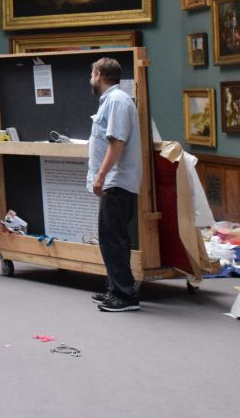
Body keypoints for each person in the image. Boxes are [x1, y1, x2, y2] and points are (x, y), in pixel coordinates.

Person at [87, 57, 142, 312]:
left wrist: (101, 175)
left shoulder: (118, 101)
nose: (90, 79)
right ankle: (115, 289)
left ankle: (125, 295)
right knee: (111, 237)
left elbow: (117, 142)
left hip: (117, 181)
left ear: (98, 74)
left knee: (113, 239)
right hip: (114, 181)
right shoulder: (112, 100)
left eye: (91, 74)